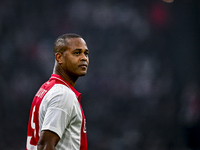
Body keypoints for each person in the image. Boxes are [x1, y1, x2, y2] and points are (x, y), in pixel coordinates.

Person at [26, 33, 89, 150]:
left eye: (86, 53)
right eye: (77, 53)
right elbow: (45, 145)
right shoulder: (62, 95)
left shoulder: (46, 88)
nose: (83, 58)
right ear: (59, 57)